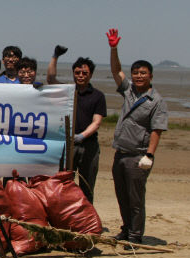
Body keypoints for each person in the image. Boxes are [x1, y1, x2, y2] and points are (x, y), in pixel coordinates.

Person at [107, 28, 167, 245]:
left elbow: (157, 130)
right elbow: (116, 71)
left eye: (143, 73)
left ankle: (135, 234)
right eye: (136, 73)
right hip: (120, 153)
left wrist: (149, 156)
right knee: (122, 196)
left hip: (138, 156)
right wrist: (114, 48)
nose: (139, 76)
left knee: (135, 198)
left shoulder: (157, 101)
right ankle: (126, 229)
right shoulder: (129, 91)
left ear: (151, 75)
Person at [47, 46, 107, 203]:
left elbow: (97, 122)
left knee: (87, 185)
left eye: (85, 73)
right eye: (77, 73)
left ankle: (86, 221)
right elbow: (51, 79)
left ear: (91, 75)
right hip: (68, 146)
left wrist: (81, 136)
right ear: (73, 73)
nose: (80, 76)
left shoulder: (98, 96)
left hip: (89, 146)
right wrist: (55, 57)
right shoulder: (67, 91)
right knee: (64, 183)